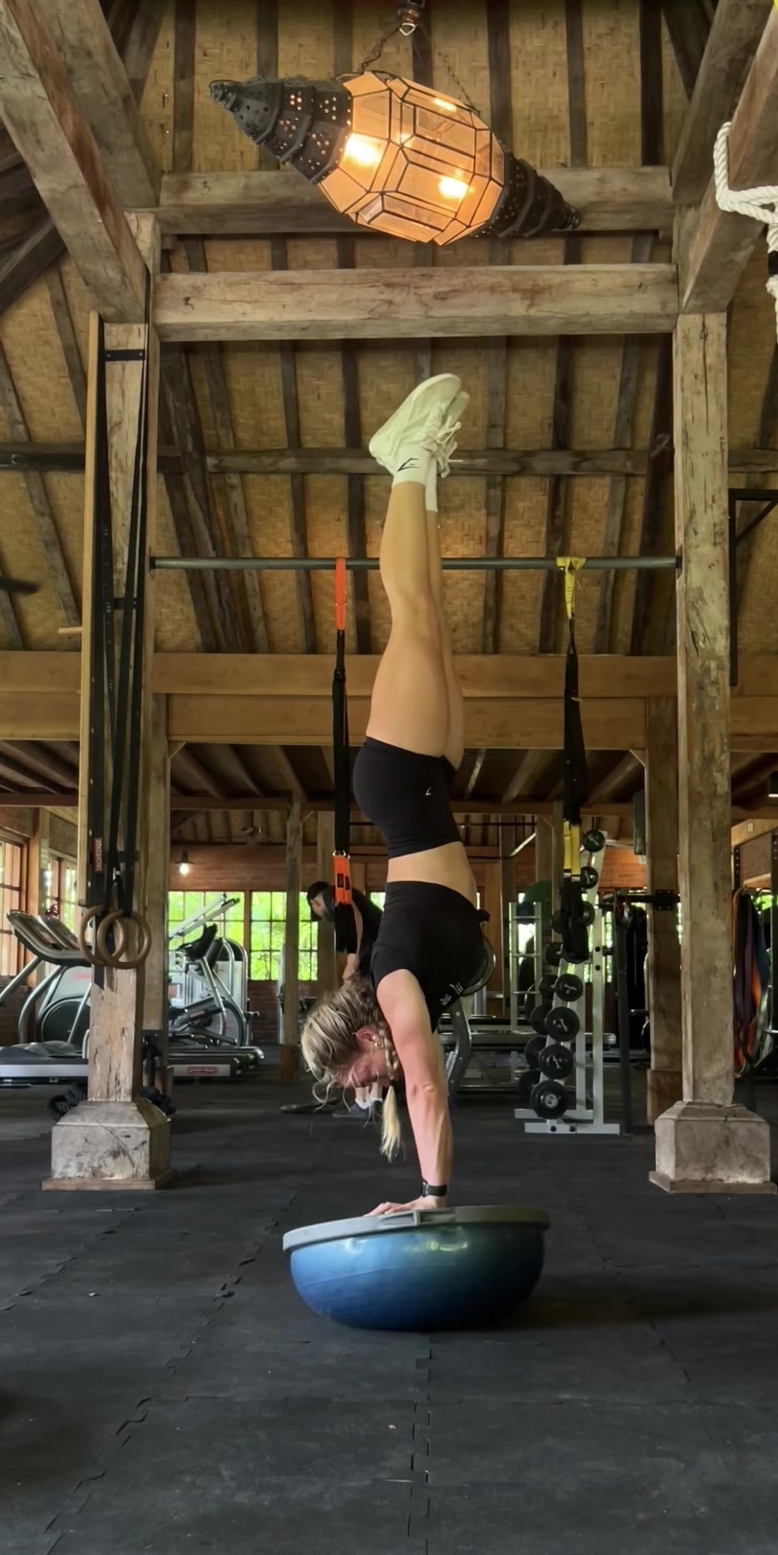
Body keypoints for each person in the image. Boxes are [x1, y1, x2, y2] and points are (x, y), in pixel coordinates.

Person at [300, 374, 489, 1217]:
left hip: (403, 786)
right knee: (434, 616)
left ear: (361, 1040)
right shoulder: (393, 992)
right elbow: (414, 1088)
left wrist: (431, 1197)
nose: (362, 1090)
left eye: (353, 1079)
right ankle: (426, 471)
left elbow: (425, 1091)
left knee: (411, 611)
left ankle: (405, 460)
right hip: (428, 783)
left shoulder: (392, 991)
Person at [306, 880, 383, 983]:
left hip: (380, 949)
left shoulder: (331, 895)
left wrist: (351, 962)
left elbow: (350, 916)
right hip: (378, 948)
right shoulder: (345, 896)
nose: (321, 917)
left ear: (314, 903)